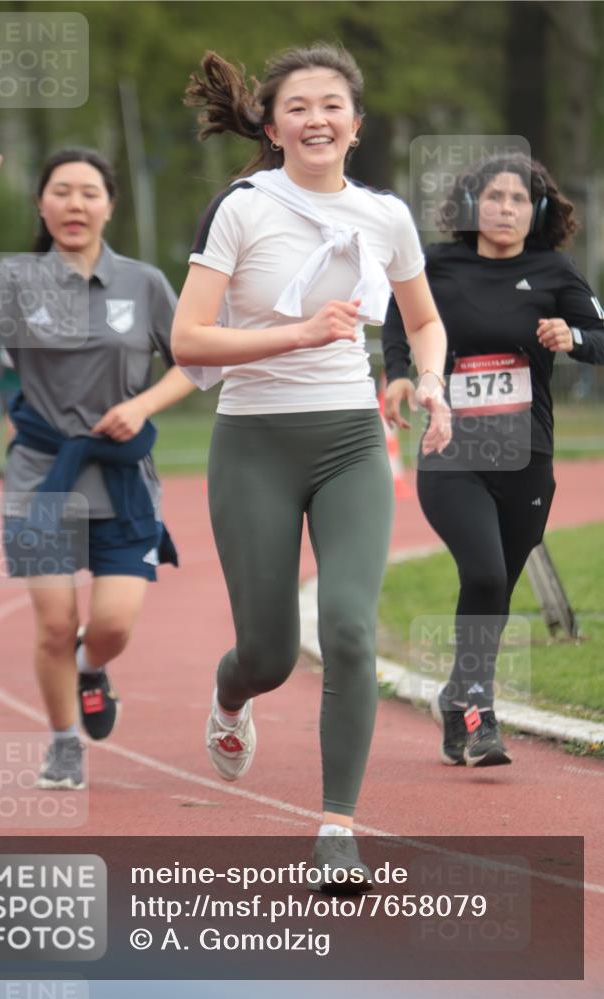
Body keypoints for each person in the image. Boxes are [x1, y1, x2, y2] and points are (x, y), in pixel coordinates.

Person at [172, 43, 451, 890]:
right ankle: (230, 697)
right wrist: (293, 332)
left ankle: (337, 825)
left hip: (349, 444)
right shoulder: (242, 208)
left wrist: (429, 381)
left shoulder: (386, 216)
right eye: (297, 105)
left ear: (355, 126)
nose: (316, 118)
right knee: (268, 654)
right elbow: (188, 341)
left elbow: (425, 321)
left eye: (332, 104)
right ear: (271, 123)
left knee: (351, 632)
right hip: (253, 442)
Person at [0, 143, 194, 789]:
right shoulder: (17, 281)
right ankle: (62, 744)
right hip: (40, 477)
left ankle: (91, 668)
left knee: (110, 624)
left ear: (109, 205)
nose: (75, 203)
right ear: (42, 204)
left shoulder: (144, 283)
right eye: (61, 191)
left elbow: (196, 361)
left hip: (121, 479)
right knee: (54, 624)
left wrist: (142, 405)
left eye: (89, 192)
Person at [383, 154, 604, 768]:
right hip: (452, 451)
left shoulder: (554, 270)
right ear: (471, 204)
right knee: (482, 574)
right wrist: (398, 377)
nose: (505, 208)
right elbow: (399, 318)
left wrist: (574, 338)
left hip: (527, 456)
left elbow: (602, 340)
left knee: (498, 584)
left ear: (533, 212)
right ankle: (481, 714)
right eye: (494, 196)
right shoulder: (436, 263)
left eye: (517, 199)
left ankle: (457, 696)